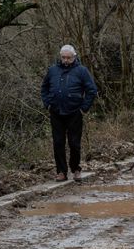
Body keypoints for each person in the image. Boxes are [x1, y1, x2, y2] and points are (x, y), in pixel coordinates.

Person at [40, 44, 98, 182]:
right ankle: (61, 171)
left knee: (74, 143)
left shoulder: (81, 71)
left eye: (68, 58)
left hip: (74, 113)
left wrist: (84, 108)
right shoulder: (52, 70)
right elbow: (44, 88)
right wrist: (47, 104)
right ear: (60, 57)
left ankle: (76, 168)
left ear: (74, 57)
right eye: (63, 57)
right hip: (56, 112)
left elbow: (91, 90)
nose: (66, 60)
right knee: (58, 143)